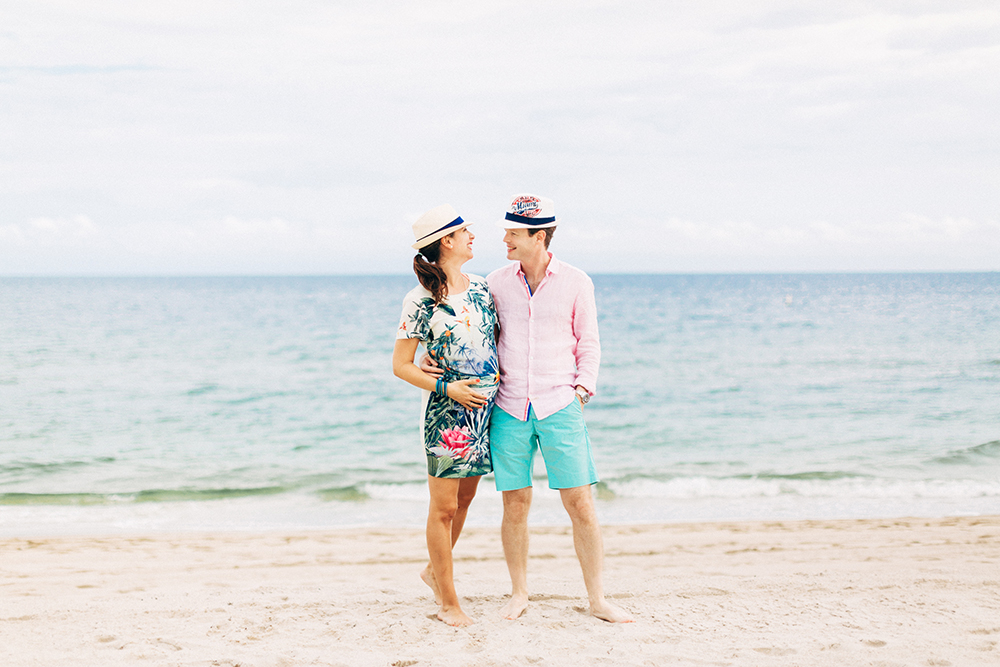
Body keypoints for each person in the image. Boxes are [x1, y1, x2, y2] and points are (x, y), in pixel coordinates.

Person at [488, 193, 632, 623]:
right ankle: (518, 594)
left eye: (513, 233)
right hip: (509, 406)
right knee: (514, 503)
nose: (506, 239)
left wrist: (582, 391)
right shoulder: (494, 282)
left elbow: (589, 341)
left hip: (560, 404)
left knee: (581, 504)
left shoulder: (576, 281)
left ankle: (597, 599)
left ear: (538, 236)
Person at [392, 203, 499, 627]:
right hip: (446, 414)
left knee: (467, 499)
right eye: (465, 232)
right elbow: (401, 365)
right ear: (446, 242)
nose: (473, 236)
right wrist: (444, 385)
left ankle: (433, 572)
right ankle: (449, 603)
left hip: (485, 411)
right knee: (444, 510)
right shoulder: (419, 300)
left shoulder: (482, 287)